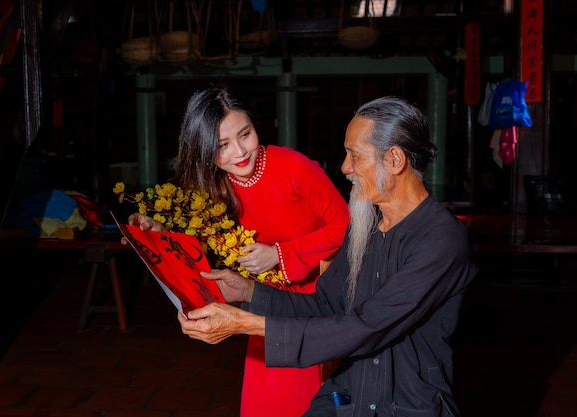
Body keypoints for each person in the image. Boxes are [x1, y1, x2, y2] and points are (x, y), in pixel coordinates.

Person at [178, 96, 479, 417]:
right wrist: (248, 292)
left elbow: (368, 327)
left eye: (354, 155)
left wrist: (247, 324)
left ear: (394, 160)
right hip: (347, 395)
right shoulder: (368, 223)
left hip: (407, 402)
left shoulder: (442, 239)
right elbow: (325, 304)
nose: (344, 168)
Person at [126, 86, 350, 417]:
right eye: (222, 146)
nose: (240, 152)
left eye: (245, 135)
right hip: (263, 303)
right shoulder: (214, 186)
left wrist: (279, 254)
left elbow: (347, 226)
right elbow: (204, 243)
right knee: (267, 404)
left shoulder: (293, 167)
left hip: (315, 302)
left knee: (308, 403)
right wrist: (157, 231)